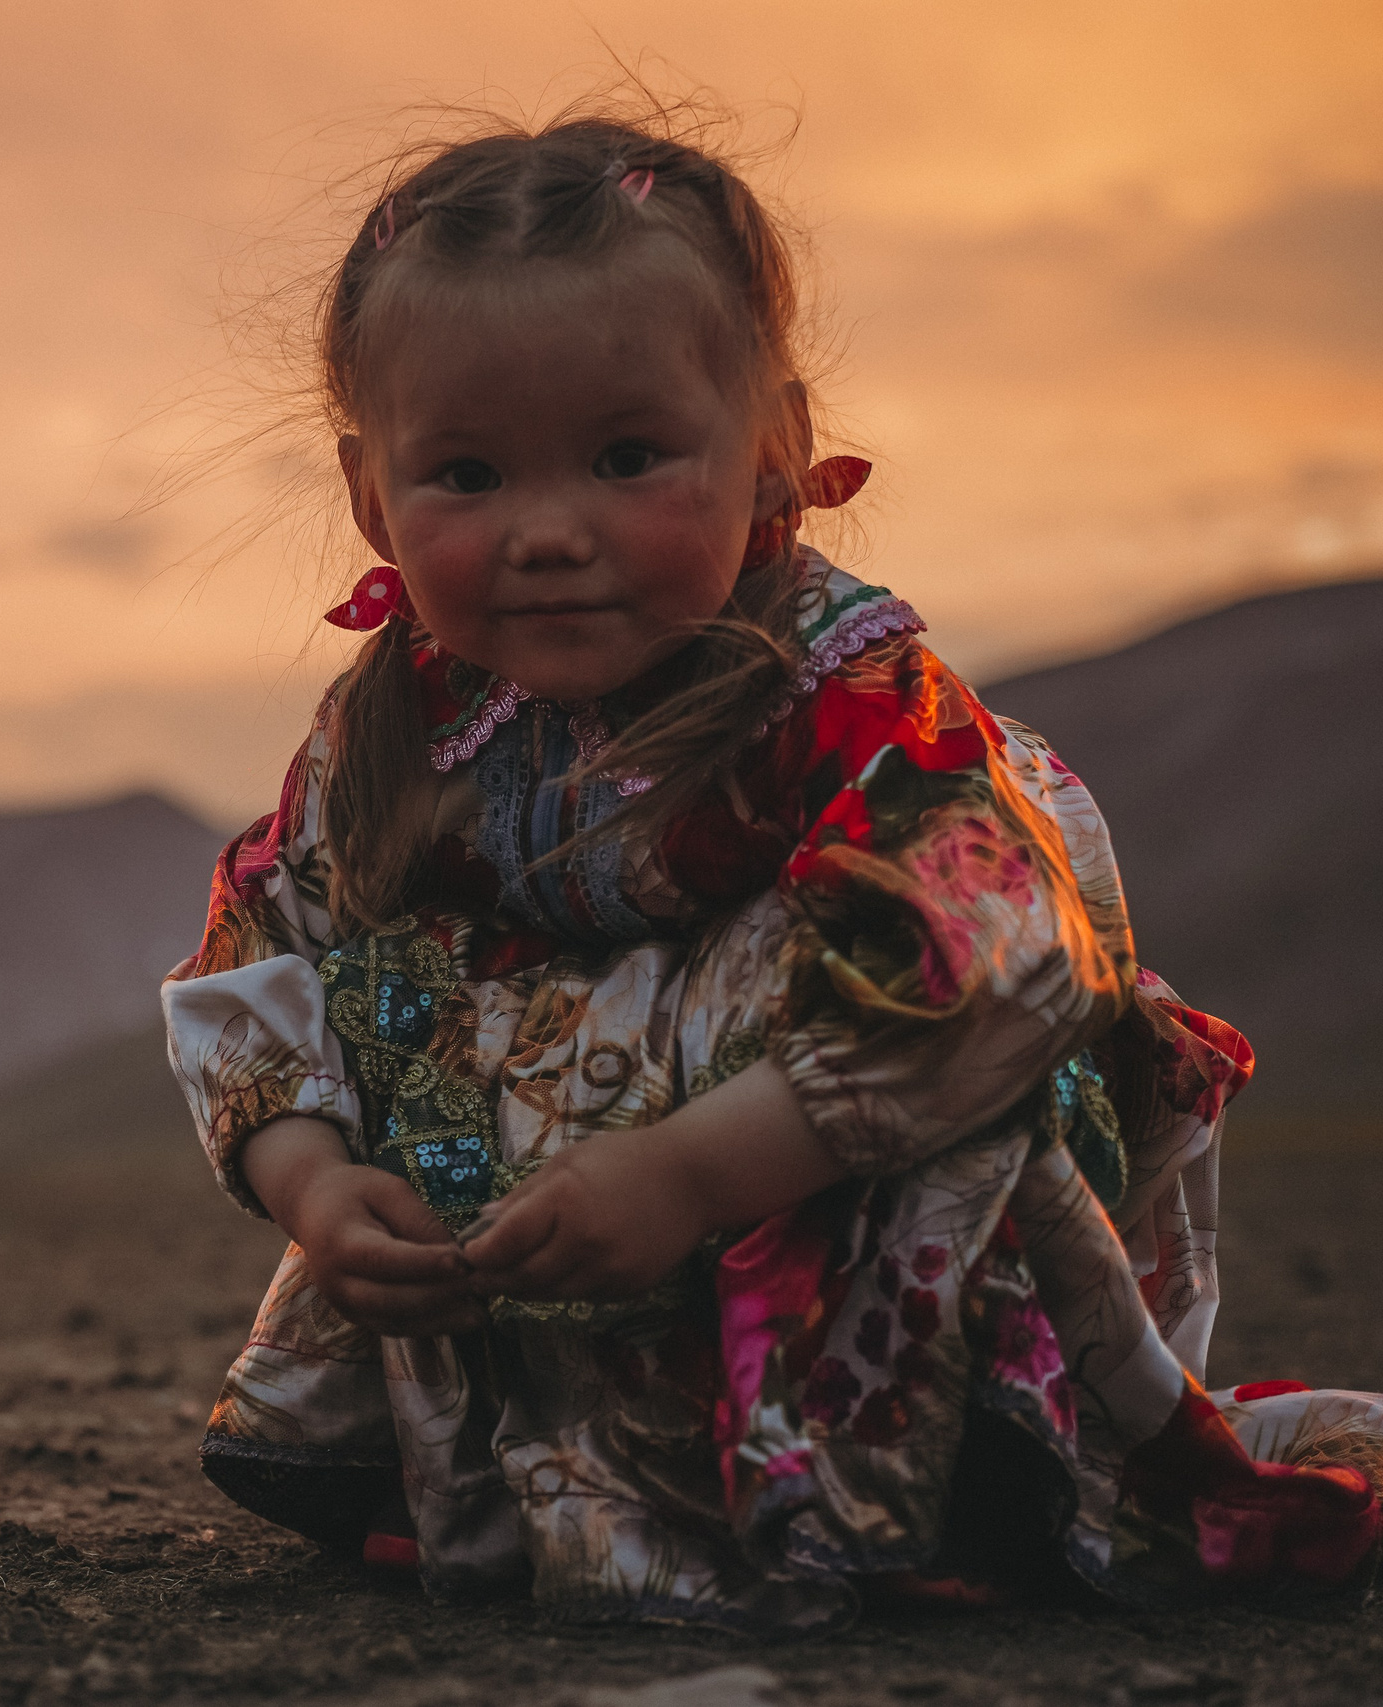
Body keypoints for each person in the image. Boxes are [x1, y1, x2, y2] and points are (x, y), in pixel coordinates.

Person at [161, 108, 1383, 1632]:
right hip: (557, 1206)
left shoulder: (838, 696)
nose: (548, 532)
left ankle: (881, 1463)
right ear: (369, 500)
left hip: (811, 1172)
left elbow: (996, 971)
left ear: (772, 456)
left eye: (627, 457)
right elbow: (263, 950)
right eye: (466, 474)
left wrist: (687, 1172)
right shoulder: (401, 727)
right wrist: (316, 1184)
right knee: (404, 971)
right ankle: (546, 1442)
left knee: (855, 993)